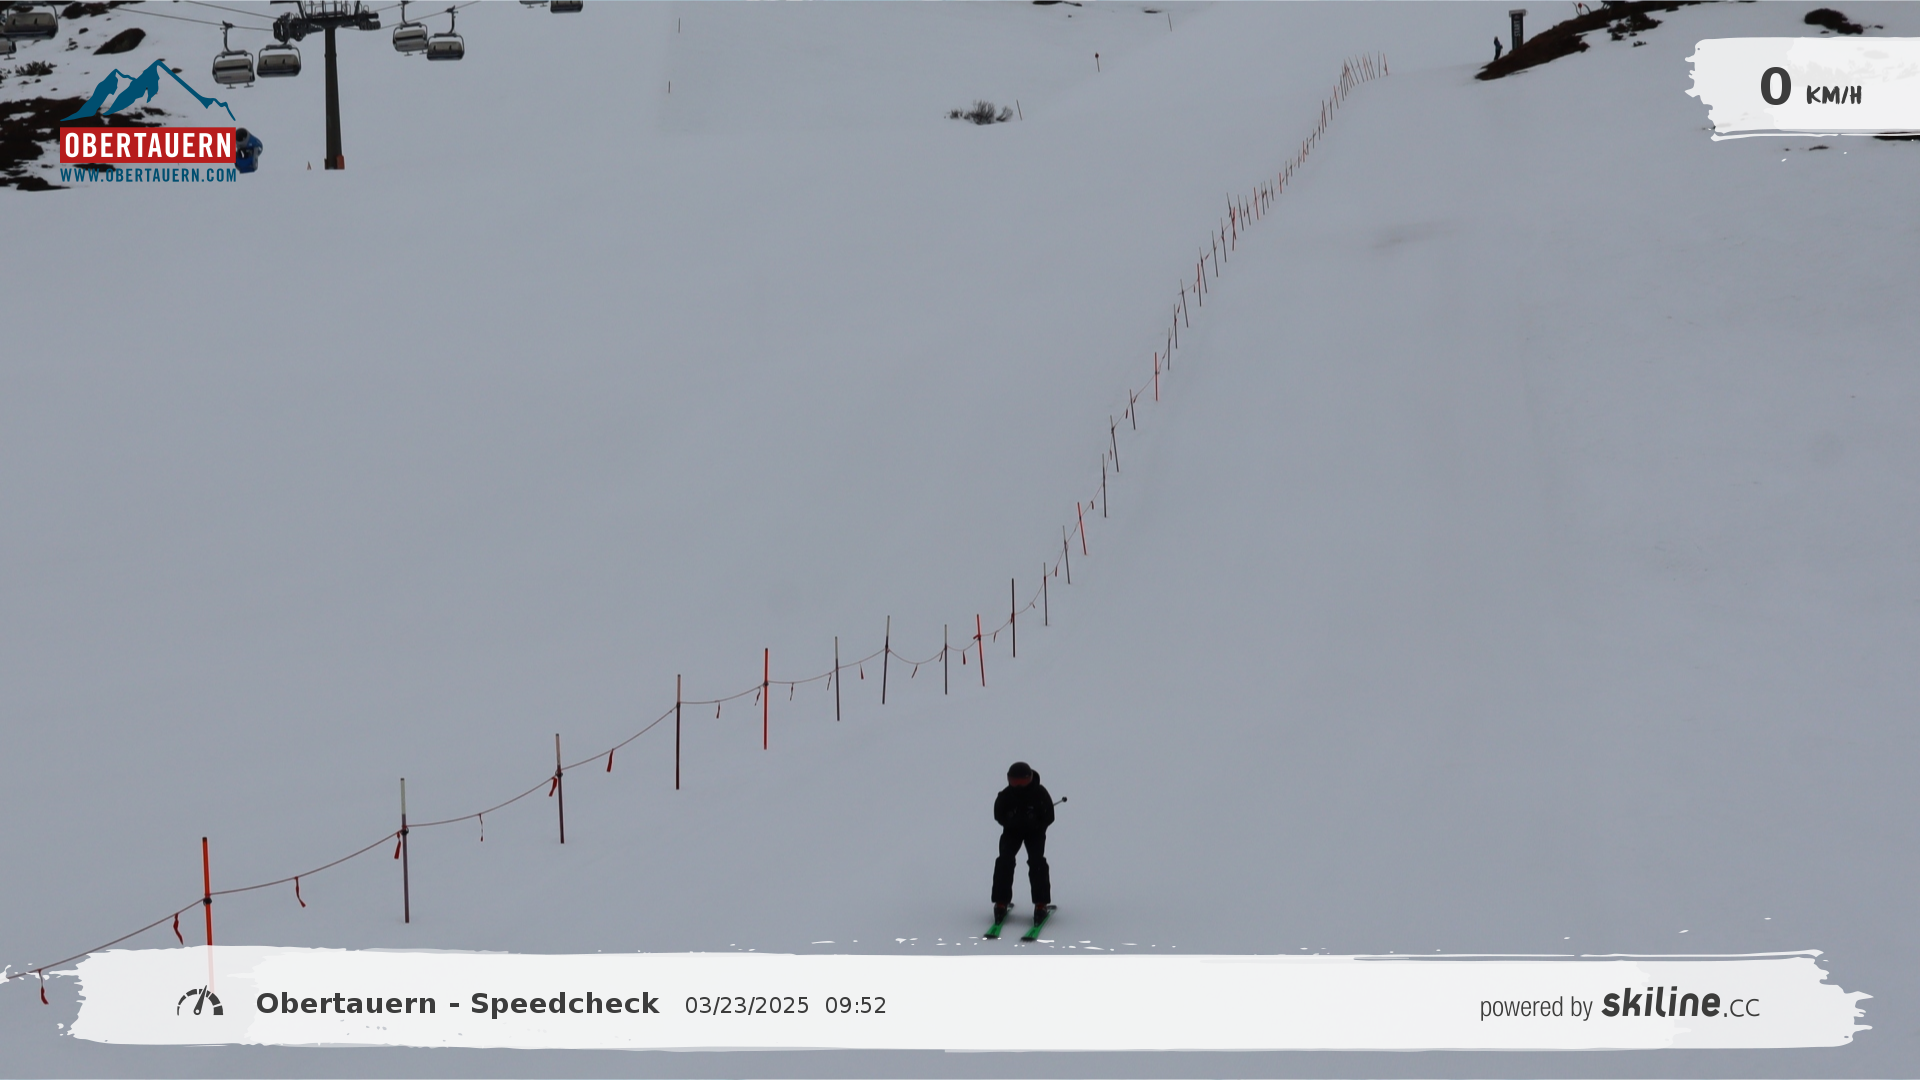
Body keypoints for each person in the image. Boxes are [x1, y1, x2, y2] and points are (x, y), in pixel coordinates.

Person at [991, 761, 1054, 922]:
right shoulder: (1006, 795)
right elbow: (998, 814)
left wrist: (1036, 823)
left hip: (1035, 833)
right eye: (1014, 781)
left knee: (1037, 862)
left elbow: (1049, 816)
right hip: (1012, 832)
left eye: (1023, 781)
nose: (1018, 786)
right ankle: (1001, 902)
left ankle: (1041, 903)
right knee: (1004, 861)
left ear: (1030, 778)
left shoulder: (1040, 793)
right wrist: (1010, 820)